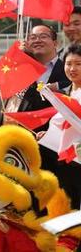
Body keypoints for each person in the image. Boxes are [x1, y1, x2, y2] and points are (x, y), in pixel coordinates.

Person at [46, 44, 81, 209]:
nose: (72, 68)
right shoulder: (64, 94)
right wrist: (47, 136)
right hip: (65, 161)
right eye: (68, 64)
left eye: (78, 64)